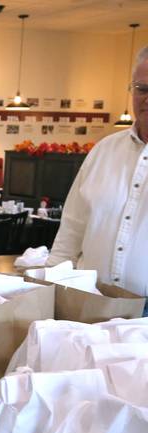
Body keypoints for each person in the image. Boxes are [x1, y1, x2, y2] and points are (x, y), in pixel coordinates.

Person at [47, 45, 148, 316]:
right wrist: (51, 288)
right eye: (142, 89)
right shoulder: (104, 150)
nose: (147, 98)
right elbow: (71, 230)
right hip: (89, 300)